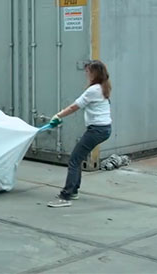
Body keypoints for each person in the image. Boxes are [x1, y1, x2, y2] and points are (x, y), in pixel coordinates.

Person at [47, 60, 112, 208]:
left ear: (95, 73)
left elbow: (74, 107)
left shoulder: (93, 90)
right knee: (78, 157)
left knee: (74, 160)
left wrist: (58, 115)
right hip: (104, 128)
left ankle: (67, 194)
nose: (86, 74)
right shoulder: (104, 87)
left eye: (88, 71)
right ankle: (74, 190)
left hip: (97, 130)